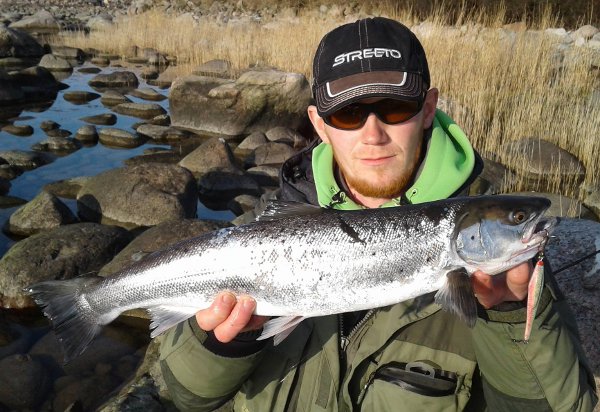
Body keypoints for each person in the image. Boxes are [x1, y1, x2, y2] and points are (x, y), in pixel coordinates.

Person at [159, 17, 597, 411]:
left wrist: (507, 319)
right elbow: (183, 396)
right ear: (318, 123)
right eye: (348, 113)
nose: (373, 134)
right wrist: (223, 345)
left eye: (393, 109)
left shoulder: (506, 276)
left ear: (427, 109)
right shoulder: (260, 236)